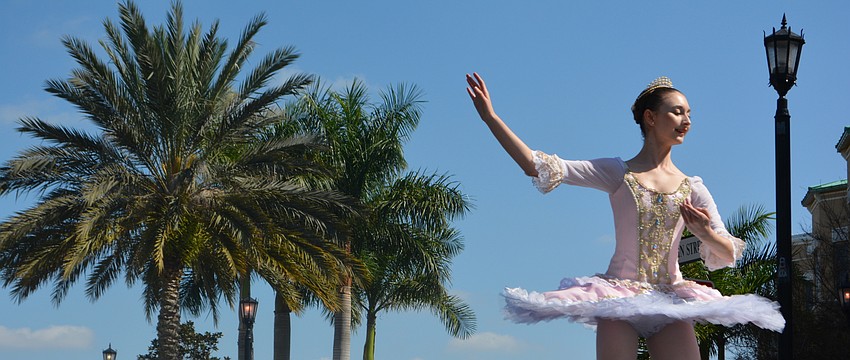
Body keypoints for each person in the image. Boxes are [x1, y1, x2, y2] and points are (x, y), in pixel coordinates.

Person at [465, 73, 784, 360]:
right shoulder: (618, 172)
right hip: (619, 296)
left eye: (689, 113)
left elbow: (727, 253)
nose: (686, 120)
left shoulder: (693, 188)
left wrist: (706, 233)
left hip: (670, 297)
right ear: (650, 117)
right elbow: (536, 166)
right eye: (677, 111)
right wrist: (490, 118)